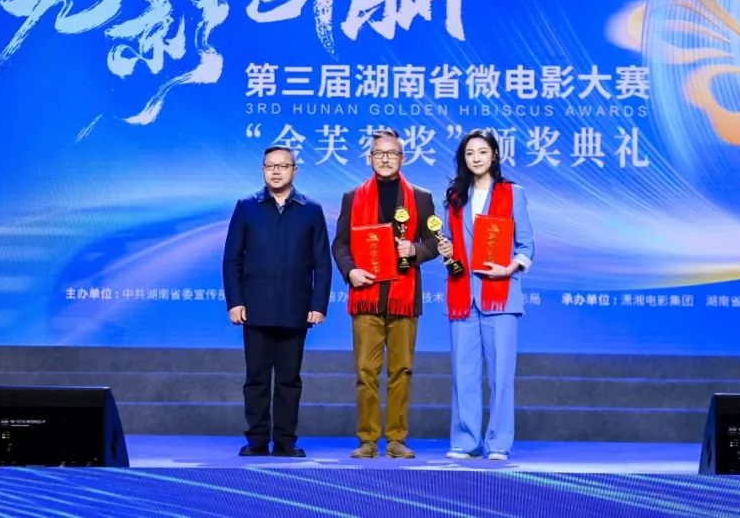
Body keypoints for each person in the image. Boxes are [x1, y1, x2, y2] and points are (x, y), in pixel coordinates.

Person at [332, 129, 439, 459]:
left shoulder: (421, 197)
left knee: (401, 371)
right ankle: (367, 440)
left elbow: (435, 242)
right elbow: (340, 244)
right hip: (366, 296)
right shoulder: (352, 197)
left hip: (404, 298)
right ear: (370, 158)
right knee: (365, 372)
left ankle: (396, 439)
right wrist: (350, 271)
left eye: (392, 153)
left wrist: (415, 250)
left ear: (403, 158)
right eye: (379, 153)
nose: (386, 158)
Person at [222, 145, 332, 458]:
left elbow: (322, 263)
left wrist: (318, 305)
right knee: (256, 379)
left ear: (294, 170)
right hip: (255, 309)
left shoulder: (311, 209)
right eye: (270, 165)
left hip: (296, 310)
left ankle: (285, 442)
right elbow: (232, 259)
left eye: (283, 166)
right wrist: (235, 301)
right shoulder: (247, 207)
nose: (276, 171)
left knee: (289, 380)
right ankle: (256, 441)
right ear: (263, 170)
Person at [436, 129, 535, 461]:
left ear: (494, 155)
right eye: (469, 153)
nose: (476, 158)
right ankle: (466, 441)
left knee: (501, 375)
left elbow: (526, 245)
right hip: (463, 294)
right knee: (463, 373)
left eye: (482, 151)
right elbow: (449, 245)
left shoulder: (513, 193)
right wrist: (446, 251)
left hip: (500, 294)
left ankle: (498, 443)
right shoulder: (455, 196)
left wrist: (509, 268)